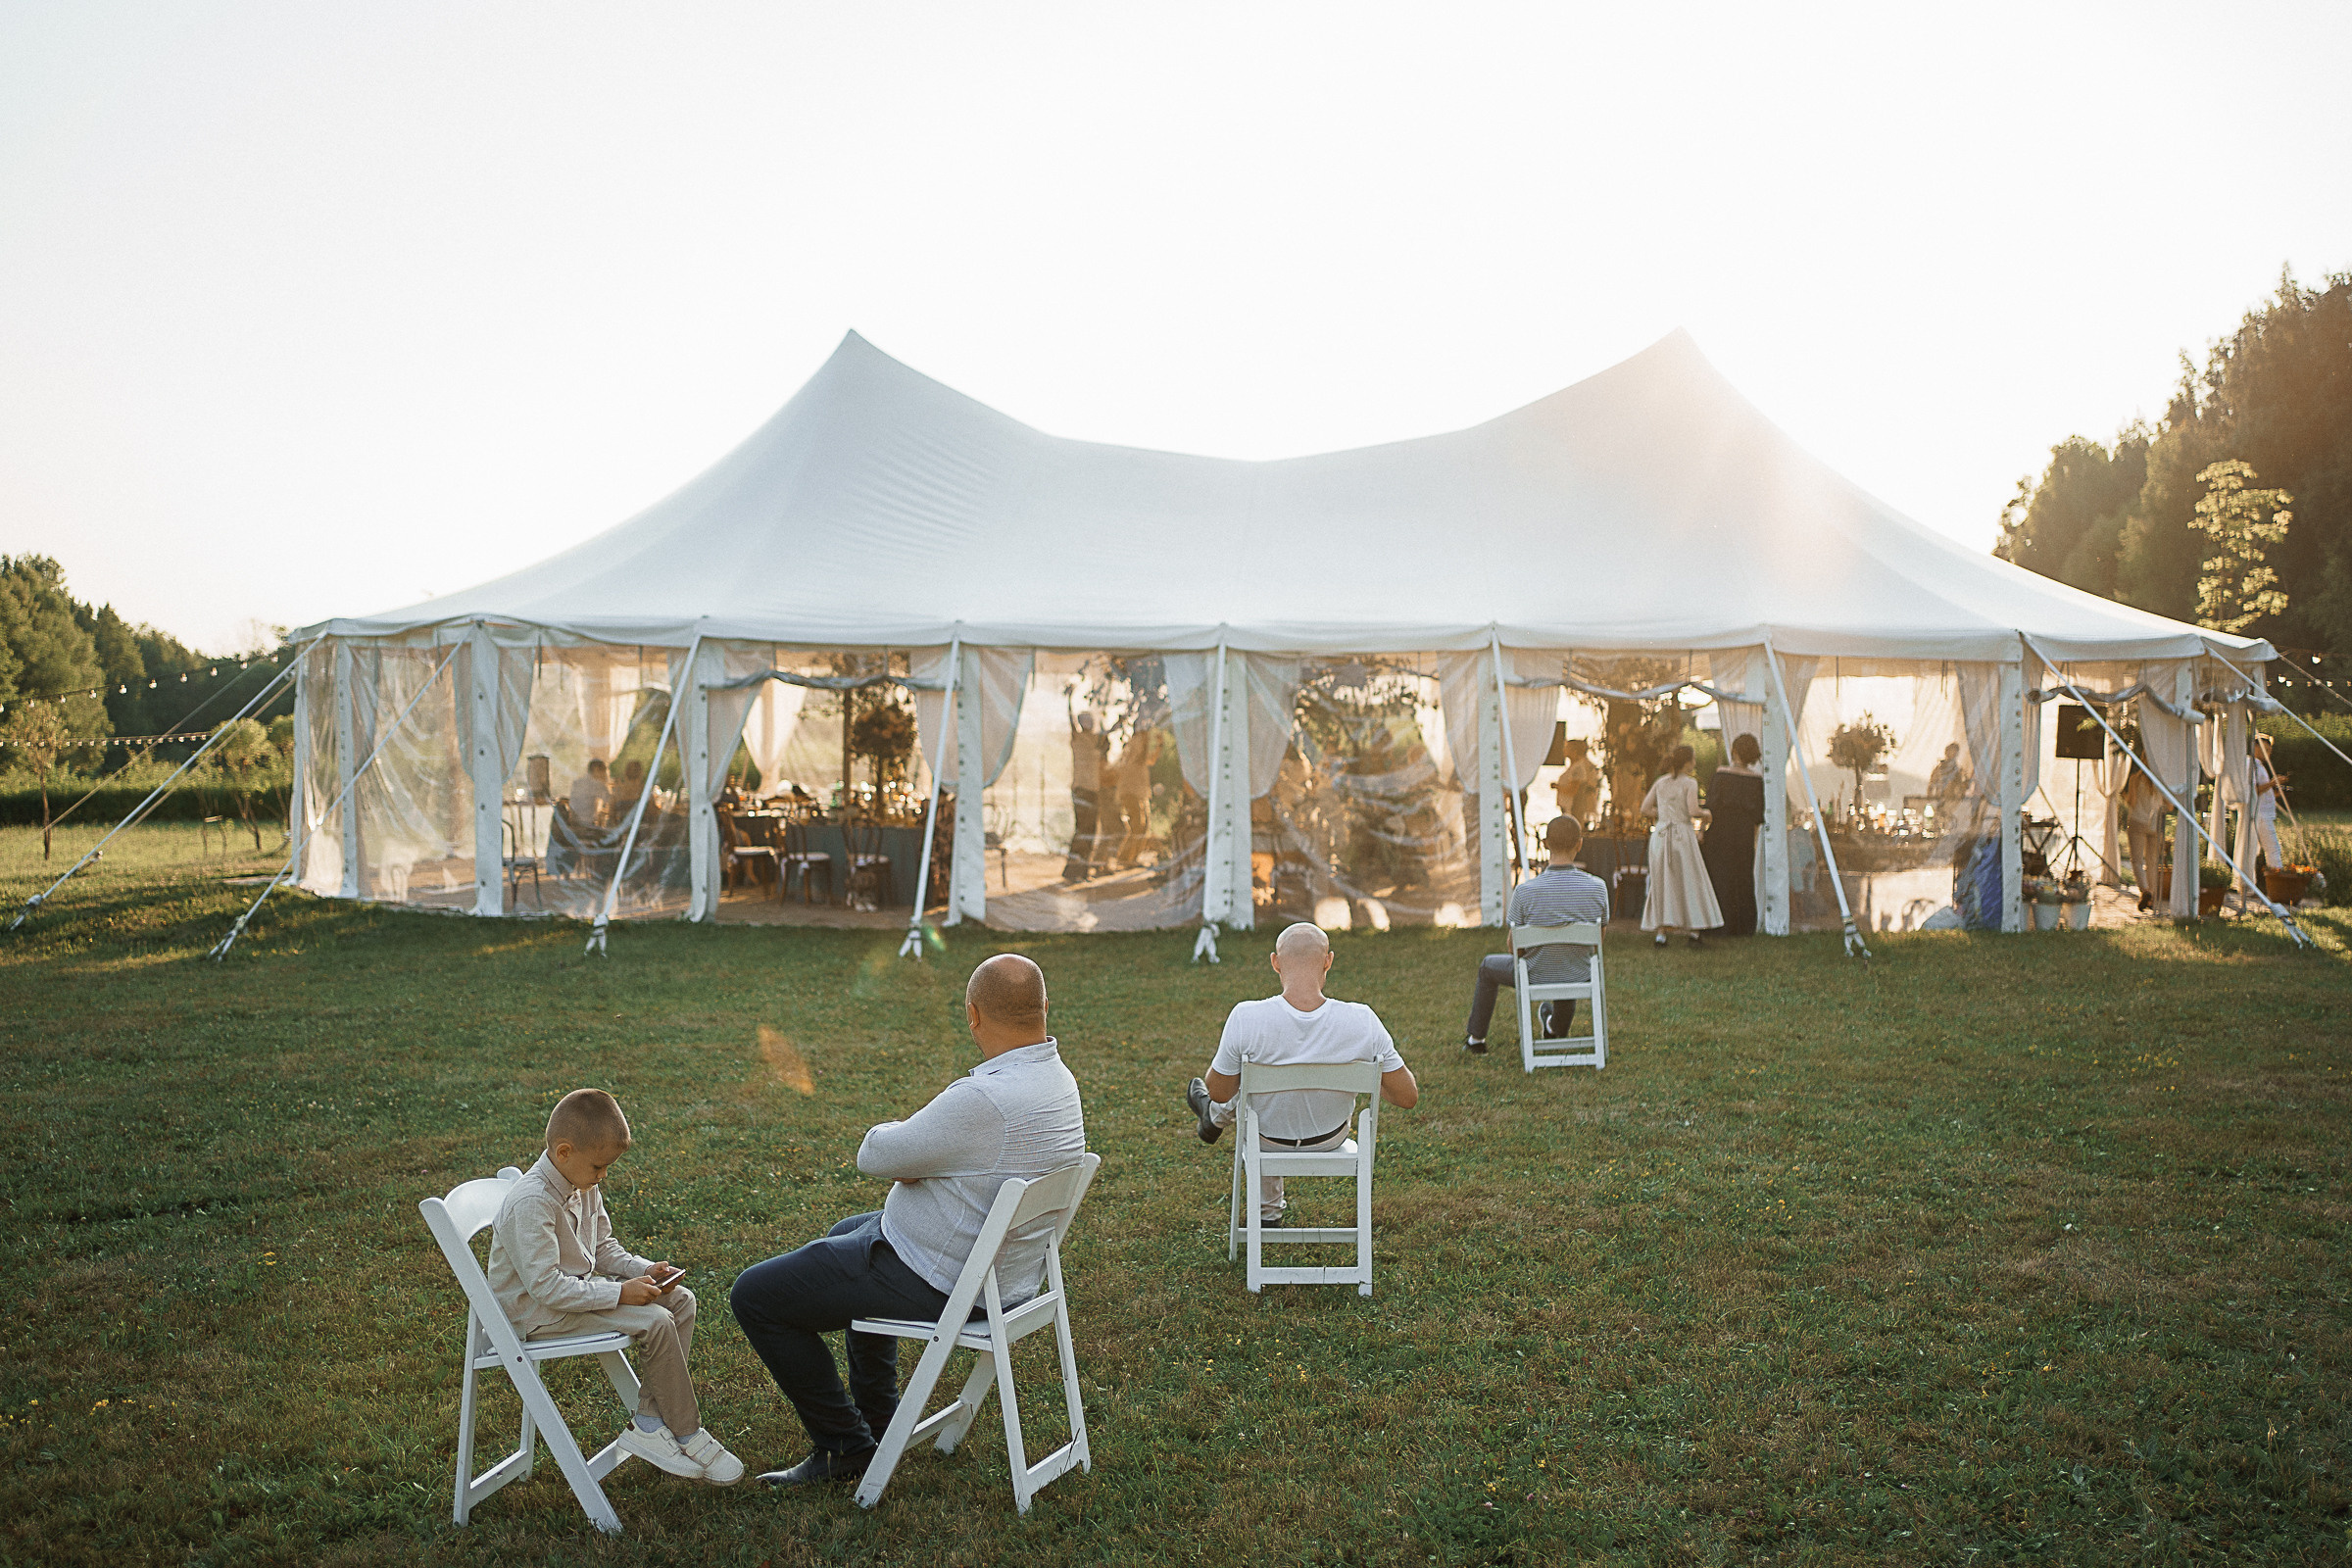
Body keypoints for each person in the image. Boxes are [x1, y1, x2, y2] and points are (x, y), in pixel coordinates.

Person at [731, 955, 1085, 1488]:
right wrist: (934, 1161)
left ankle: (844, 1446)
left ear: (973, 1014)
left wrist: (912, 1148)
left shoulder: (984, 1098)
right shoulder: (1059, 1081)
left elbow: (876, 1154)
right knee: (844, 1232)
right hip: (1006, 1275)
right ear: (1044, 1008)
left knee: (755, 1295)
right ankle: (880, 1421)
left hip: (946, 1280)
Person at [487, 1089, 743, 1486]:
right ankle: (687, 1431)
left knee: (680, 1301)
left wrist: (645, 1270)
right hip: (537, 1315)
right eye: (599, 1166)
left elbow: (603, 1247)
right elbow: (547, 1288)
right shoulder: (532, 1202)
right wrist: (622, 1293)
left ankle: (649, 1422)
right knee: (656, 1321)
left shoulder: (581, 1182)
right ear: (564, 1152)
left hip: (573, 1295)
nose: (603, 1175)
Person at [1183, 923, 1416, 1227]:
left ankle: (1217, 1123)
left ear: (1275, 962)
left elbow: (1219, 1092)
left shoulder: (1246, 1016)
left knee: (1249, 1095)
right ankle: (1218, 1125)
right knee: (1258, 1096)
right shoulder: (1363, 1020)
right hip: (1330, 1137)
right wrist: (1369, 1078)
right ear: (1328, 961)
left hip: (1267, 1139)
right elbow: (1407, 1096)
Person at [1460, 814, 1613, 1054]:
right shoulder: (1598, 888)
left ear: (1545, 843)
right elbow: (1598, 943)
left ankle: (1476, 1039)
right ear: (1579, 844)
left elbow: (1514, 948)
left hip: (1534, 974)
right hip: (1579, 973)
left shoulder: (1524, 892)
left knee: (1488, 966)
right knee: (1567, 961)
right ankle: (1555, 1028)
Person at [1641, 743, 1722, 947]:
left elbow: (1644, 809)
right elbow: (1693, 810)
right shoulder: (1690, 783)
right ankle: (1694, 931)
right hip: (1681, 835)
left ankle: (1661, 934)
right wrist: (1707, 813)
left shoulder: (1661, 782)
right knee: (1690, 880)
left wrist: (1664, 814)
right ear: (1688, 762)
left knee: (1662, 882)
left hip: (1661, 835)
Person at [1700, 733, 1765, 936]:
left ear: (1734, 750)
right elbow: (1758, 816)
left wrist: (1702, 831)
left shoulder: (1721, 774)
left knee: (1719, 876)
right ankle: (1743, 927)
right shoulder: (1757, 780)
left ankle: (1719, 925)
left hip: (1720, 832)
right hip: (1744, 834)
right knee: (1743, 878)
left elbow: (1710, 807)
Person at [1063, 711, 1109, 881]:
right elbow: (1070, 720)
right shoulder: (1078, 738)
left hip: (1092, 791)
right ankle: (1074, 871)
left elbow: (1107, 736)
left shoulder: (1095, 739)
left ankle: (1081, 871)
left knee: (1090, 831)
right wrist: (1069, 701)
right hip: (1082, 790)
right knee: (1083, 830)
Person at [2123, 760, 2166, 911]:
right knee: (2152, 861)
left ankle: (2145, 891)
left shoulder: (2135, 778)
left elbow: (2132, 801)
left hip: (2137, 820)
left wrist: (2124, 796)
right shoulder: (2161, 780)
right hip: (2155, 823)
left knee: (2137, 860)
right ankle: (2152, 897)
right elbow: (2170, 806)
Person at [2249, 733, 2287, 875]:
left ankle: (2269, 877)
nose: (2268, 754)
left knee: (2260, 849)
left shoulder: (2259, 766)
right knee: (2272, 848)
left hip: (2264, 813)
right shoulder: (2251, 765)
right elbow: (2253, 791)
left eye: (2270, 751)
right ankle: (2277, 877)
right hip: (2260, 814)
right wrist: (2272, 783)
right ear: (2255, 747)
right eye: (2265, 750)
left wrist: (2274, 792)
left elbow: (2262, 791)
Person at [1552, 738, 1602, 828]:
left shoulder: (1578, 768)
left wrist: (1557, 786)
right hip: (1567, 809)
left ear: (1574, 751)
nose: (1564, 750)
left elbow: (1573, 790)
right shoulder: (1574, 766)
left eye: (1567, 748)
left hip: (1573, 809)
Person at [568, 759, 612, 828]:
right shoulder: (597, 784)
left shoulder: (577, 782)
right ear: (596, 770)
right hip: (587, 825)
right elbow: (611, 801)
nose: (606, 775)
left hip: (573, 824)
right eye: (604, 771)